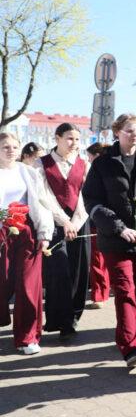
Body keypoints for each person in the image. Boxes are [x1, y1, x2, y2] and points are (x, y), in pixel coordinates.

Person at [82, 114, 136, 367]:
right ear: (117, 132)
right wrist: (119, 228)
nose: (134, 135)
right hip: (115, 240)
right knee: (124, 290)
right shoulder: (103, 164)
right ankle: (131, 347)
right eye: (129, 130)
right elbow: (92, 201)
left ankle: (126, 334)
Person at [35, 123, 91, 339]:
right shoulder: (43, 164)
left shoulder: (83, 163)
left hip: (79, 222)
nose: (73, 143)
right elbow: (43, 195)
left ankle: (73, 318)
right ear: (57, 138)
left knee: (78, 270)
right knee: (58, 271)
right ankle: (60, 319)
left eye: (77, 139)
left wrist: (75, 222)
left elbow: (85, 195)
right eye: (69, 138)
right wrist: (63, 221)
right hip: (54, 222)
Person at [0, 132, 53, 355]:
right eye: (5, 146)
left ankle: (27, 337)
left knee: (28, 286)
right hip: (2, 232)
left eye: (14, 146)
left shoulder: (28, 173)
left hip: (26, 233)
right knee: (2, 282)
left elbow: (43, 203)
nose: (11, 150)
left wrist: (45, 233)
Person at [85, 142, 110, 309]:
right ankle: (103, 291)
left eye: (90, 156)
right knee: (103, 259)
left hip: (97, 220)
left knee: (98, 260)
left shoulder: (97, 170)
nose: (88, 159)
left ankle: (99, 295)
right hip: (104, 219)